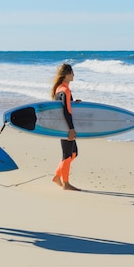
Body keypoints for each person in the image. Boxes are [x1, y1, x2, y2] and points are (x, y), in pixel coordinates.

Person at [51, 63, 81, 191]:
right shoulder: (65, 90)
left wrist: (74, 103)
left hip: (62, 125)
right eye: (72, 73)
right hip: (66, 127)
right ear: (67, 74)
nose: (73, 75)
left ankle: (57, 176)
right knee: (67, 155)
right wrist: (71, 129)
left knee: (73, 153)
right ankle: (66, 183)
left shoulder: (59, 89)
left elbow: (65, 107)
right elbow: (66, 111)